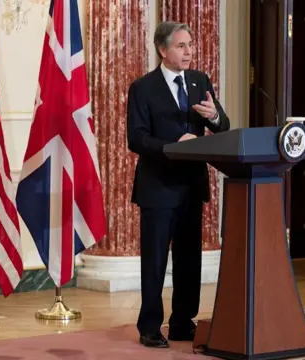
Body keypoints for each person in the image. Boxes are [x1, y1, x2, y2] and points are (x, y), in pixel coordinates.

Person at [126, 21, 230, 348]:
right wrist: (175, 144)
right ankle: (150, 327)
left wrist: (214, 117)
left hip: (191, 185)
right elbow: (137, 138)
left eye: (190, 45)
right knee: (155, 261)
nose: (189, 52)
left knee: (189, 260)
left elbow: (223, 125)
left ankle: (183, 322)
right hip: (158, 186)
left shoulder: (200, 82)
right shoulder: (143, 88)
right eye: (181, 46)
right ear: (163, 49)